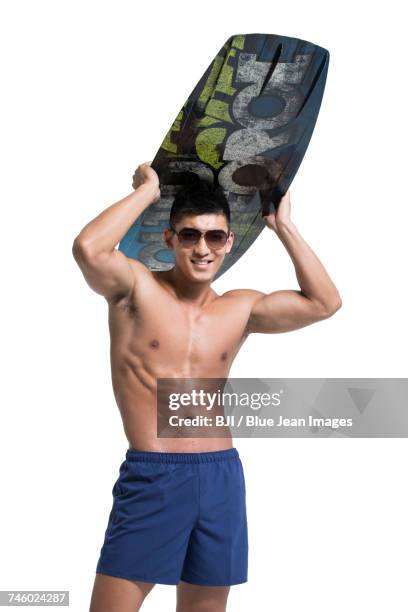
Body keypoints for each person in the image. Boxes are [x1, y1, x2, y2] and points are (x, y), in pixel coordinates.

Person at [72, 162, 342, 612]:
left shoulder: (241, 308)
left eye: (214, 236)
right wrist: (147, 193)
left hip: (221, 475)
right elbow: (89, 248)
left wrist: (283, 226)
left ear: (229, 242)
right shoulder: (135, 289)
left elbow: (324, 302)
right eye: (190, 235)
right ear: (170, 239)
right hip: (155, 476)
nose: (203, 248)